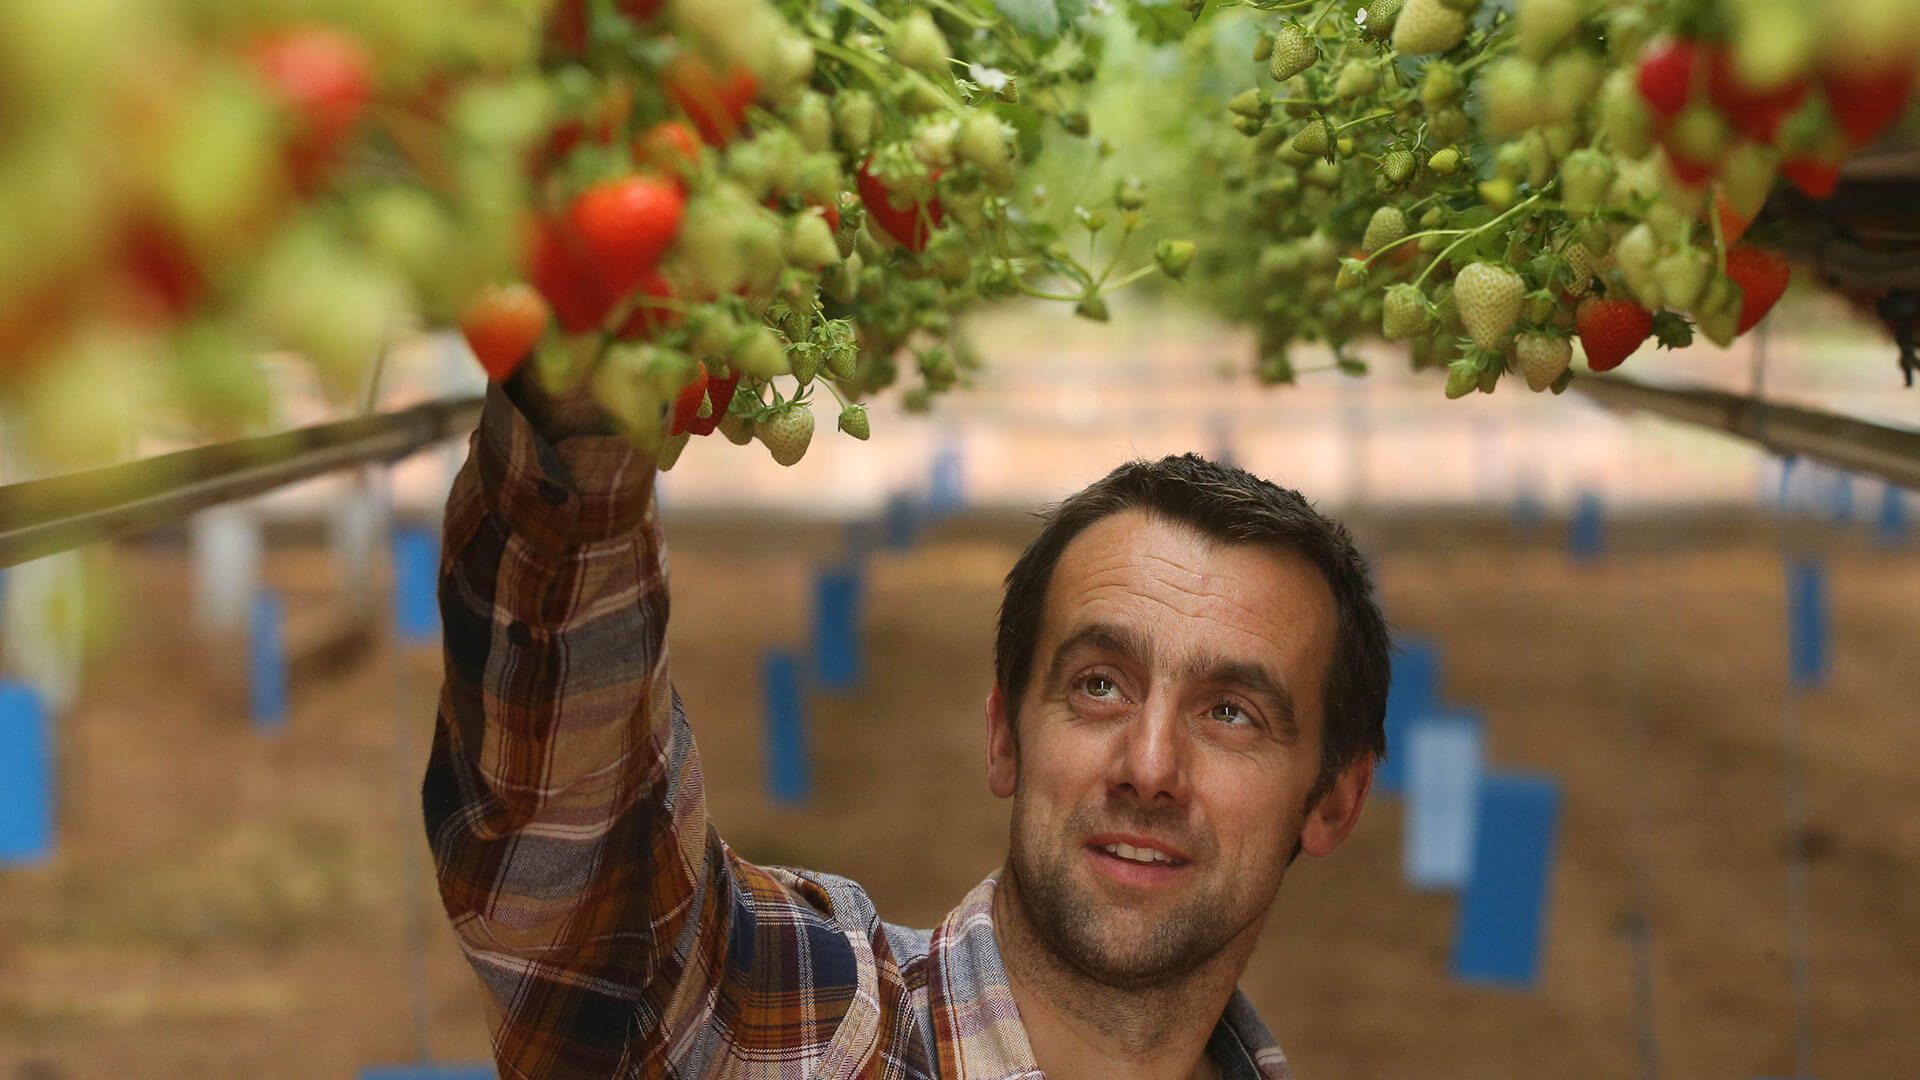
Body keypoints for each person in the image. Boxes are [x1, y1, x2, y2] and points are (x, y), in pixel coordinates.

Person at [425, 372, 1391, 1080]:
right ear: (1004, 735)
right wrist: (586, 394)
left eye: (1230, 713)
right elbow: (577, 869)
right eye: (1099, 686)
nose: (1148, 765)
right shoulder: (788, 1025)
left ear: (1337, 797)